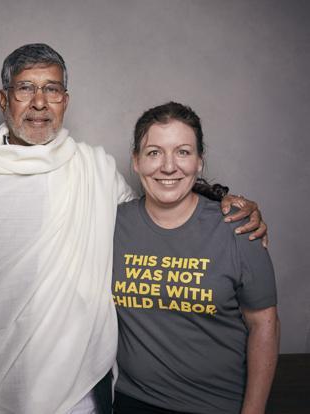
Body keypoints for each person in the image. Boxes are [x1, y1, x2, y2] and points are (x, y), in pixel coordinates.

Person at [0, 44, 264, 414]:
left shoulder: (93, 168)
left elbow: (154, 208)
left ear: (65, 101)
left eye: (51, 89)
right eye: (25, 89)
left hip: (74, 386)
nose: (39, 102)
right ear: (4, 99)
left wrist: (221, 201)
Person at [111, 102, 279, 414]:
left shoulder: (238, 227)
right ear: (136, 161)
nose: (169, 166)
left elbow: (264, 326)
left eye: (183, 152)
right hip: (132, 401)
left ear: (199, 162)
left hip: (216, 405)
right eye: (154, 152)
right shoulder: (111, 224)